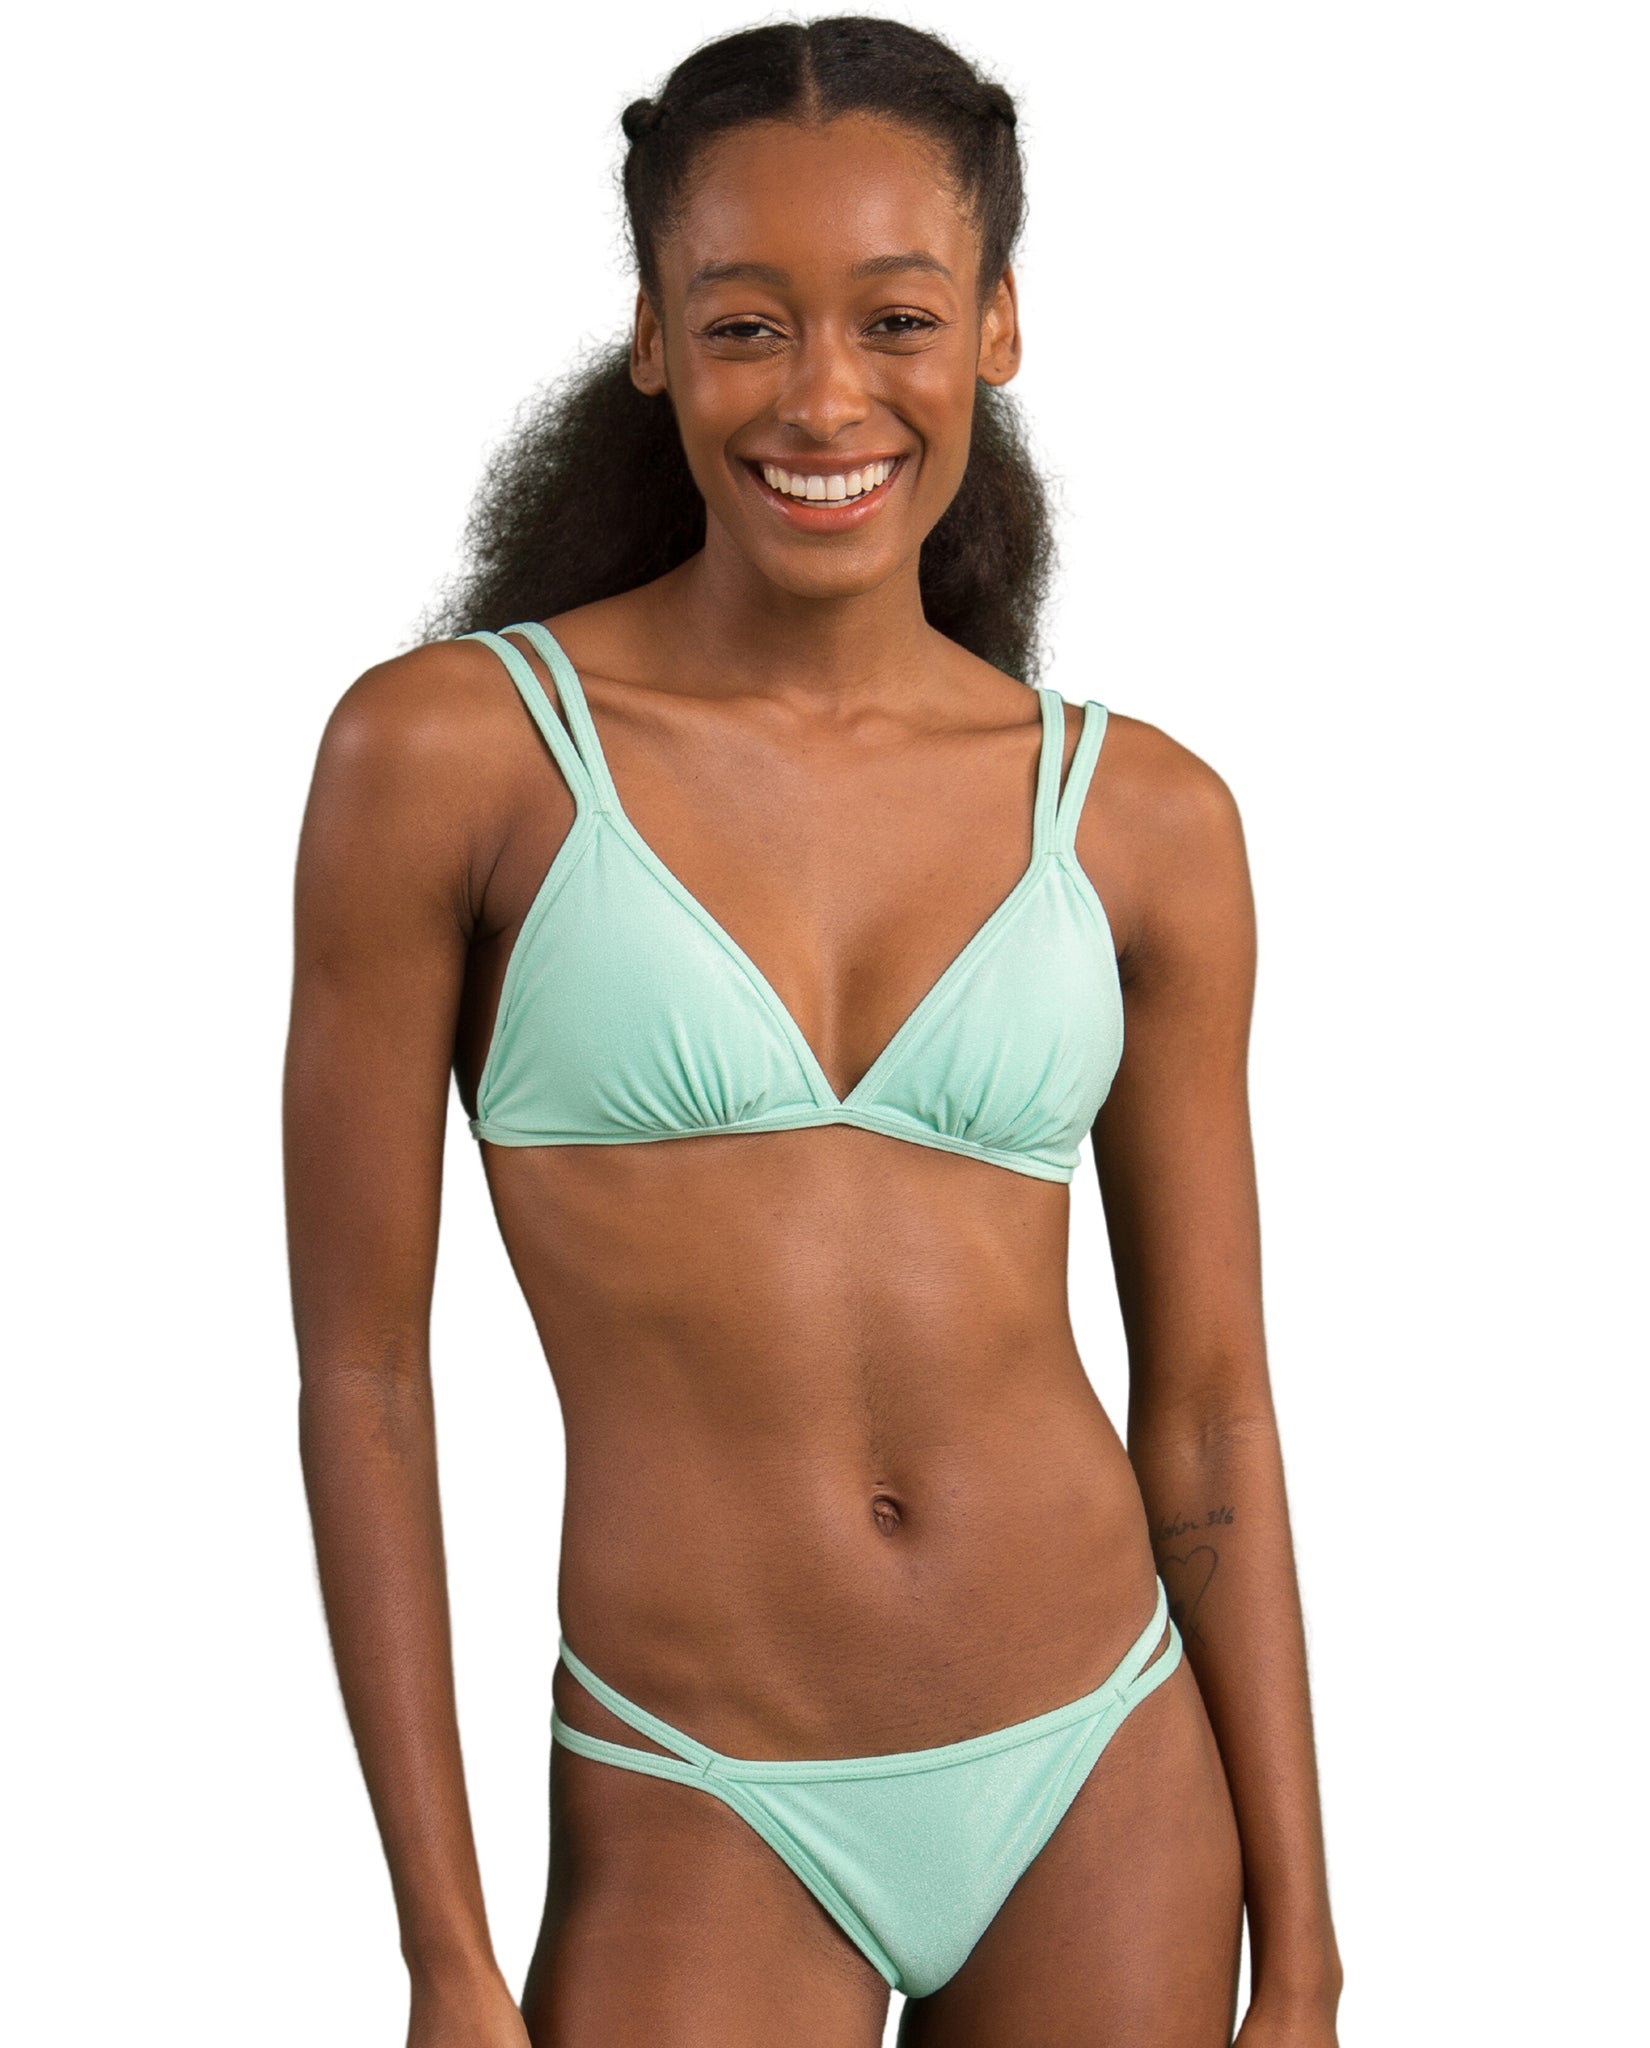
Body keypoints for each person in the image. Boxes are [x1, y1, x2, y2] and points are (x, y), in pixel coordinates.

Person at [284, 17, 1343, 2046]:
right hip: (700, 1782)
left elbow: (1211, 1406)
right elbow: (365, 1380)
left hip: (1105, 1759)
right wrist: (442, 1946)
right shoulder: (453, 761)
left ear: (997, 327)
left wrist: (1301, 1951)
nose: (825, 395)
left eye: (898, 318)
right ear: (654, 338)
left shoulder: (1141, 817)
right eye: (747, 324)